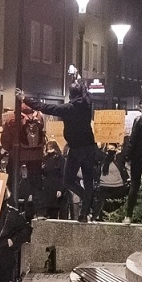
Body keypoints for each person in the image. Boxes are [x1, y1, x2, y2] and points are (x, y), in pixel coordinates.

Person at [23, 85, 99, 221]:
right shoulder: (87, 104)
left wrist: (25, 99)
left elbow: (46, 107)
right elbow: (86, 92)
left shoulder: (68, 109)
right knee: (88, 181)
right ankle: (85, 211)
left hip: (76, 149)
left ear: (70, 95)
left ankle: (89, 200)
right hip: (89, 147)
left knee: (68, 181)